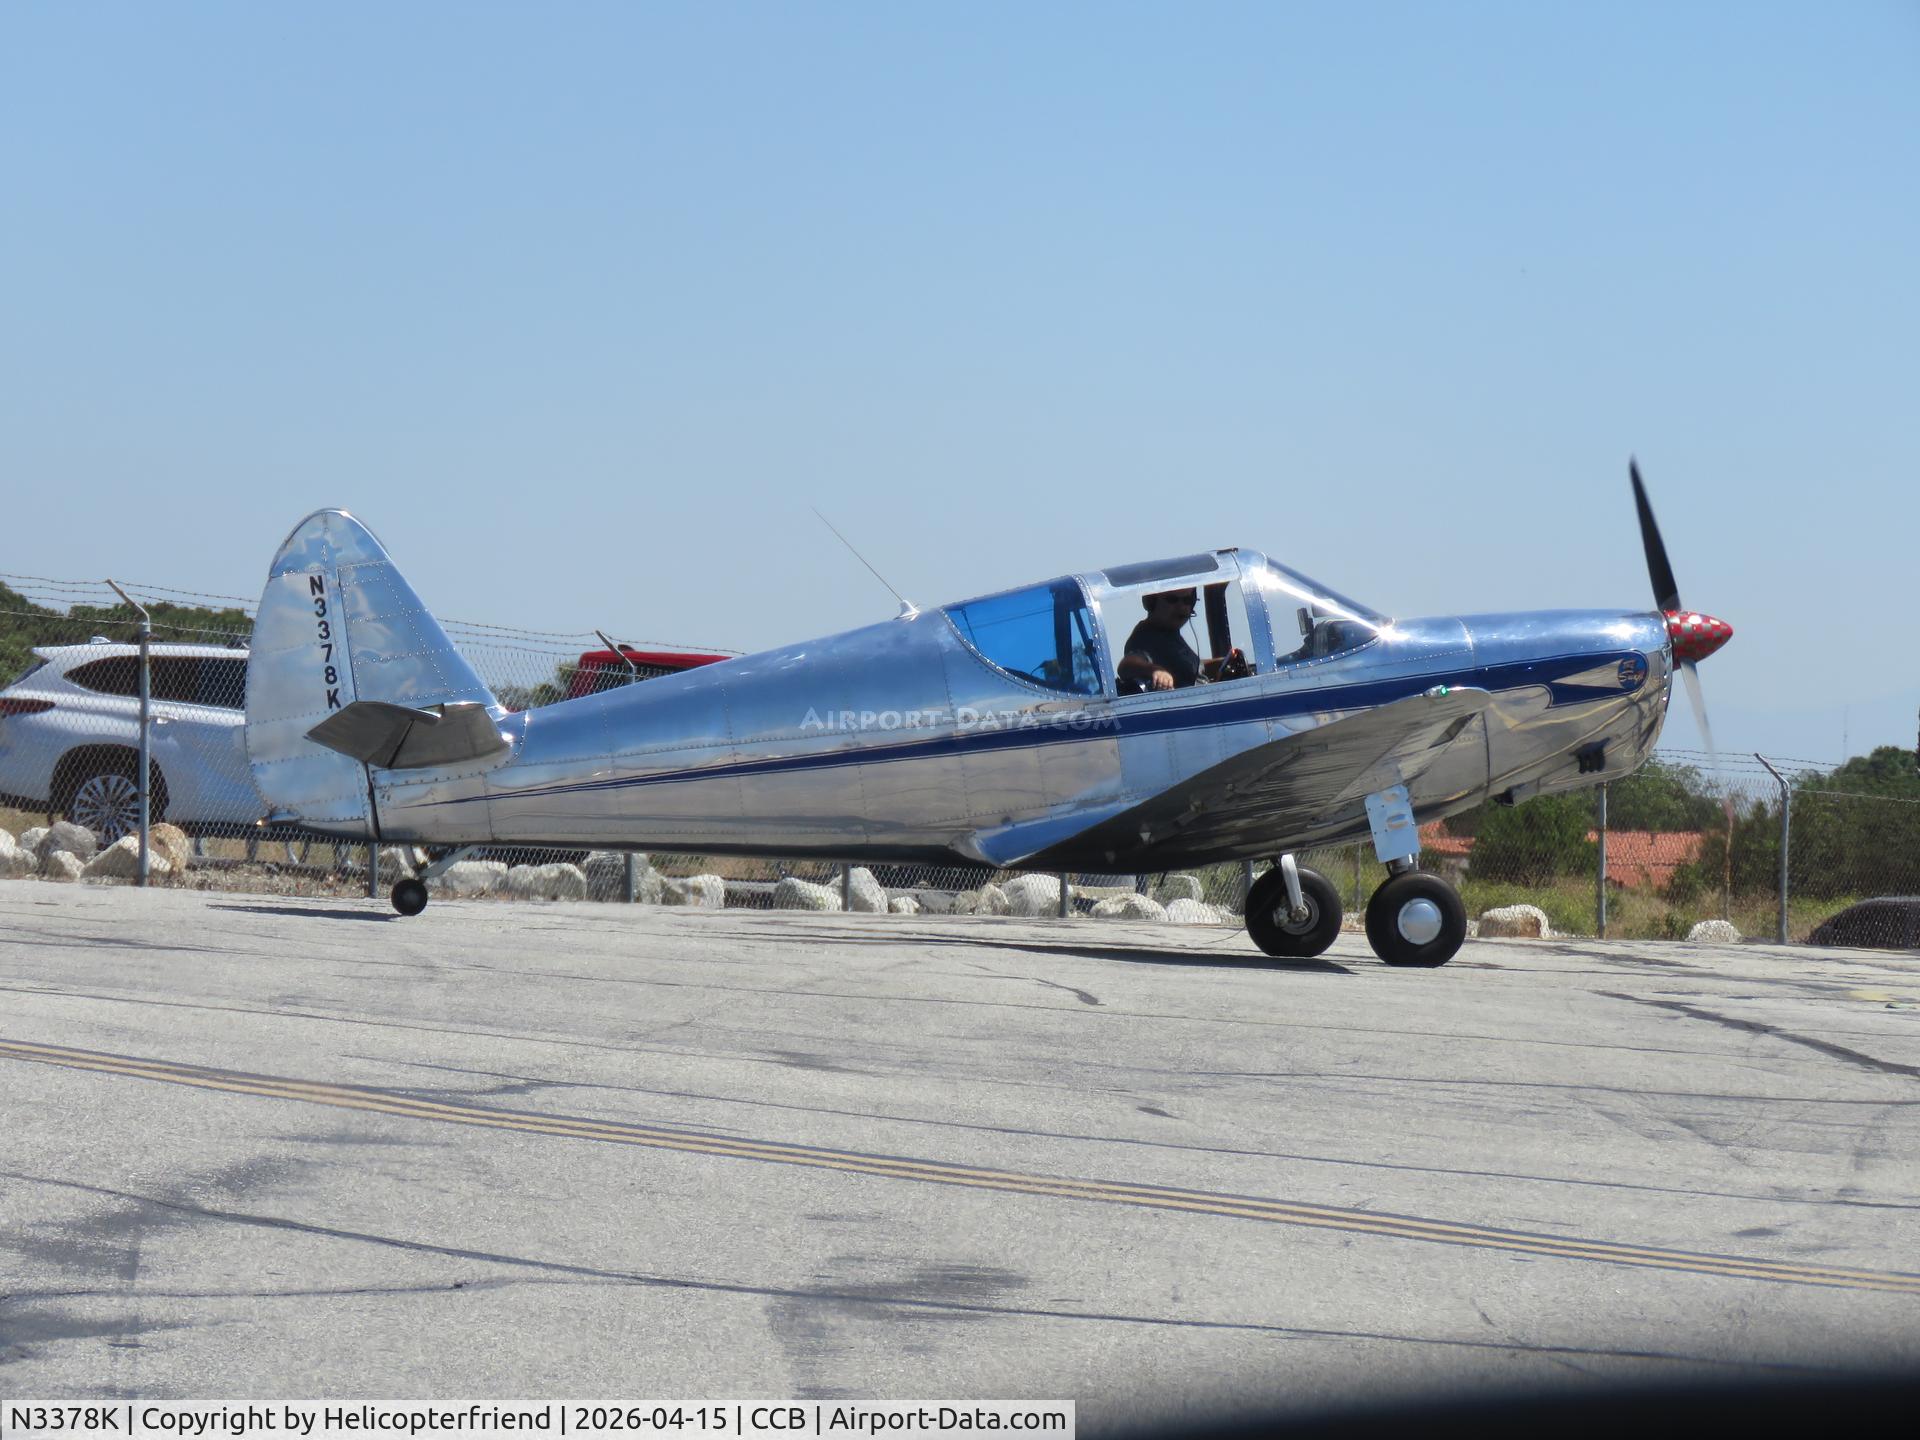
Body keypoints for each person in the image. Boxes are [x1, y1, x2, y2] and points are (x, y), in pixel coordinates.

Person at [1117, 589, 1206, 691]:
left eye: (1187, 600)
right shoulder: (1146, 636)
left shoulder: (1170, 633)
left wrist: (1223, 661)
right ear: (1151, 601)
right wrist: (1157, 671)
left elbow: (1190, 665)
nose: (1181, 607)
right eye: (1172, 599)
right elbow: (1126, 665)